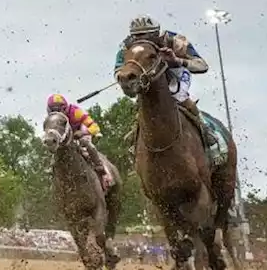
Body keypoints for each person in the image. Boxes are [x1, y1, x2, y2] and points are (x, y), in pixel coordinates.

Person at [118, 15, 216, 146]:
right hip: (148, 76)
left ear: (156, 34)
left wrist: (177, 60)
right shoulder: (126, 46)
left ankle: (203, 127)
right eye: (137, 36)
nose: (141, 40)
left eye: (145, 36)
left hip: (176, 72)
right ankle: (136, 132)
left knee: (179, 96)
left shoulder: (175, 40)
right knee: (142, 102)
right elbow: (118, 70)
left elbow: (202, 65)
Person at [46, 93, 113, 190]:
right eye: (53, 110)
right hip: (66, 137)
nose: (57, 113)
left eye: (59, 109)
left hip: (81, 131)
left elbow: (95, 127)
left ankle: (101, 169)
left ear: (65, 108)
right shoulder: (51, 120)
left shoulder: (75, 112)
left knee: (86, 145)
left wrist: (83, 132)